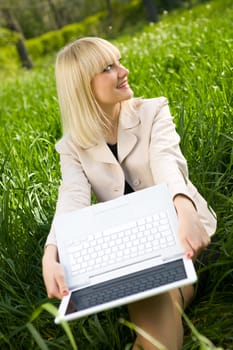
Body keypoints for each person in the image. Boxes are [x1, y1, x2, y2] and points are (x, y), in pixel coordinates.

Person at [42, 37, 217, 350]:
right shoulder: (71, 147)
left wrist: (185, 209)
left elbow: (166, 162)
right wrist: (50, 253)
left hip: (183, 238)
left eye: (118, 61)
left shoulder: (153, 111)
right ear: (83, 86)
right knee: (155, 304)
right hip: (133, 251)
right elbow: (71, 198)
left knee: (154, 298)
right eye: (108, 68)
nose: (123, 71)